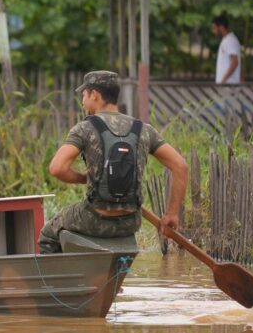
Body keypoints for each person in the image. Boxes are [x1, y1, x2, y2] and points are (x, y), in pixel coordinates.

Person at [38, 71, 188, 254]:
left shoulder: (85, 128)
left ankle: (61, 281)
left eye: (84, 95)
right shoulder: (143, 129)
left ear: (95, 95)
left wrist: (83, 178)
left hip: (94, 218)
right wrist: (171, 214)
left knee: (47, 235)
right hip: (131, 222)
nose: (83, 101)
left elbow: (56, 168)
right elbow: (180, 166)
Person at [212, 15, 241, 84]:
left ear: (221, 27)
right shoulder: (225, 40)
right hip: (225, 85)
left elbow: (234, 62)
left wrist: (223, 81)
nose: (213, 31)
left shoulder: (230, 40)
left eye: (214, 28)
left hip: (228, 85)